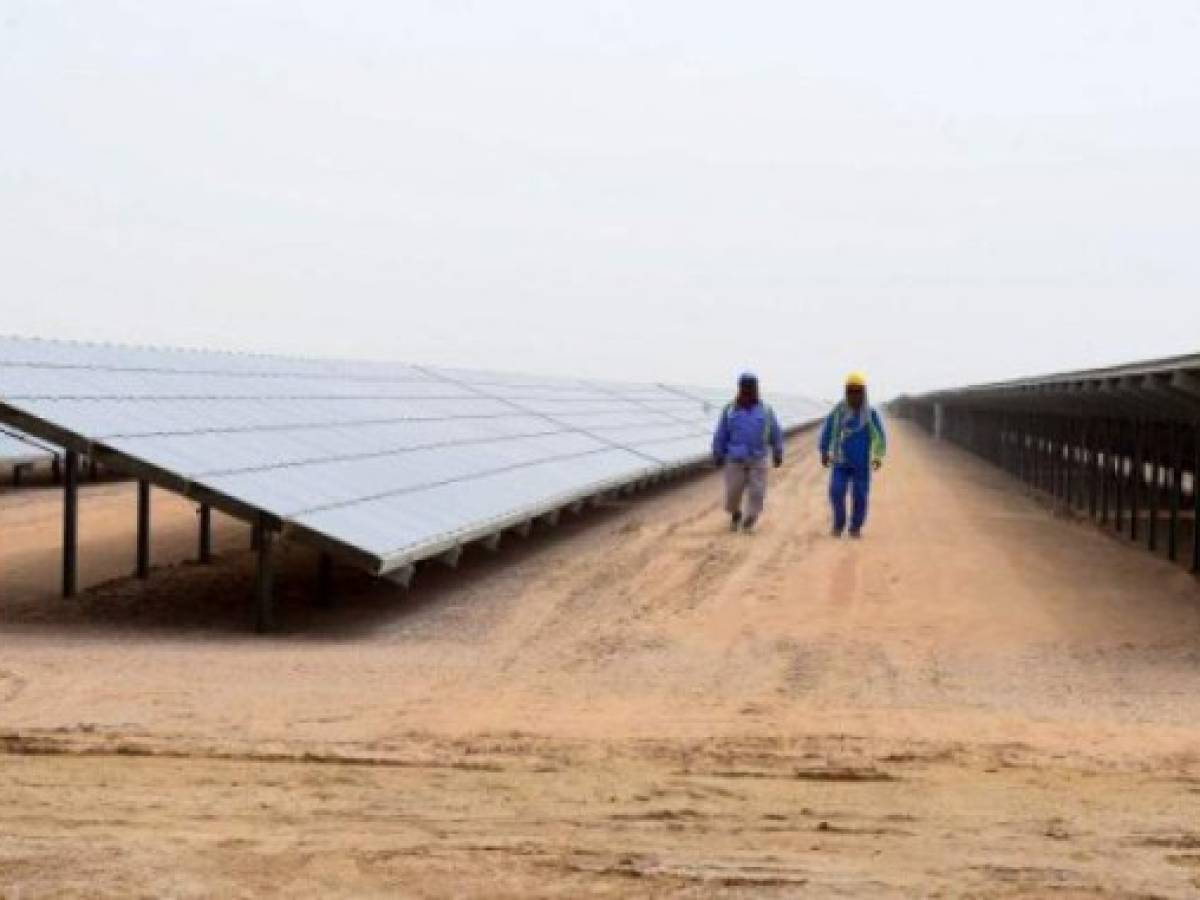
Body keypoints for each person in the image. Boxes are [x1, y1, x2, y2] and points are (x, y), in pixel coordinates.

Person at [712, 372, 784, 532]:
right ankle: (735, 513)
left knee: (757, 492)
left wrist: (778, 452)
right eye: (745, 387)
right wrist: (718, 452)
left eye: (752, 388)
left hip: (758, 458)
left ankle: (750, 519)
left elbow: (775, 431)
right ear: (740, 388)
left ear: (756, 389)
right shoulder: (729, 410)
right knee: (733, 492)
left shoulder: (765, 410)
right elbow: (721, 432)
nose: (749, 391)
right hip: (735, 459)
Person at [820, 372, 887, 538]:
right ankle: (838, 523)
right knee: (836, 491)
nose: (854, 395)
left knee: (860, 495)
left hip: (861, 464)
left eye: (858, 391)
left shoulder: (870, 414)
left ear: (863, 393)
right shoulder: (838, 412)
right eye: (851, 391)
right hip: (840, 462)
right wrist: (823, 451)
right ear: (846, 392)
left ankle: (855, 527)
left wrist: (877, 456)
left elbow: (879, 437)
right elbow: (827, 431)